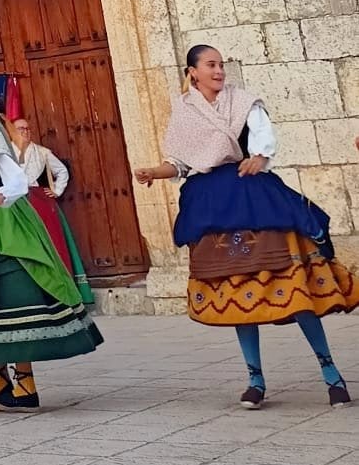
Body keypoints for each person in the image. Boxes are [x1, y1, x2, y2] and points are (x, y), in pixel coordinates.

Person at [134, 44, 356, 408]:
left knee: (294, 287)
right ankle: (255, 380)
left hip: (252, 195)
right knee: (235, 292)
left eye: (221, 65)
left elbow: (263, 141)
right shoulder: (184, 112)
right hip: (211, 204)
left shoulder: (243, 102)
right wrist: (153, 173)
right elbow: (180, 164)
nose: (219, 71)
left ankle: (331, 374)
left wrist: (260, 157)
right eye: (211, 65)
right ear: (193, 72)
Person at [0, 79, 102, 411]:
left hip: (3, 221)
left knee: (12, 297)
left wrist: (3, 194)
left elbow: (15, 180)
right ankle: (1, 384)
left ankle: (24, 385)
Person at [7, 115, 94, 306]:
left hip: (39, 201)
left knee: (51, 242)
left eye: (27, 128)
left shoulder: (42, 152)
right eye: (20, 129)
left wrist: (56, 190)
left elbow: (62, 171)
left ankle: (61, 290)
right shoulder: (6, 154)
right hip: (15, 203)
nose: (25, 132)